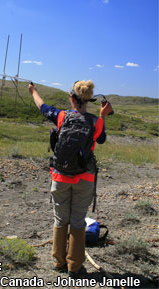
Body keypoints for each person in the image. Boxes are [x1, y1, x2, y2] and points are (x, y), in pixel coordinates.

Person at [28, 80, 112, 278]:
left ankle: (58, 261)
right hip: (85, 178)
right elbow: (100, 139)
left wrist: (33, 91)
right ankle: (74, 266)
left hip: (60, 176)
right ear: (87, 99)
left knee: (60, 218)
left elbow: (41, 106)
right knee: (77, 221)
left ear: (71, 98)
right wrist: (103, 115)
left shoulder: (61, 116)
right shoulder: (95, 121)